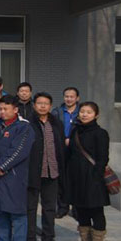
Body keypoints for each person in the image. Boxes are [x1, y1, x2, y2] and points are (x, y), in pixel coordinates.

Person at [0, 95, 35, 241]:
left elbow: (18, 151)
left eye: (5, 109)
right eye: (0, 109)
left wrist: (2, 166)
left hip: (14, 175)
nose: (2, 112)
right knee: (2, 211)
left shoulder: (23, 127)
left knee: (17, 212)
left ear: (15, 110)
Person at [65, 101, 110, 241]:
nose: (84, 114)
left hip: (93, 179)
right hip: (77, 179)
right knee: (81, 212)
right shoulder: (75, 131)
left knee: (96, 212)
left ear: (96, 115)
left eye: (89, 112)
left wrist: (96, 177)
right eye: (82, 111)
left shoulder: (100, 133)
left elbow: (103, 158)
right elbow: (70, 154)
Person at [26, 92, 65, 241]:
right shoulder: (28, 124)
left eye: (46, 103)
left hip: (52, 172)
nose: (42, 106)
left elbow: (61, 148)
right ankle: (29, 239)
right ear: (34, 105)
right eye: (39, 103)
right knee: (30, 208)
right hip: (33, 173)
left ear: (50, 106)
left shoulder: (57, 124)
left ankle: (48, 240)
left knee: (49, 208)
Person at [52, 86, 80, 219]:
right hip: (60, 148)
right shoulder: (57, 112)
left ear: (77, 98)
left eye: (71, 97)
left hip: (76, 149)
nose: (69, 99)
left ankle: (76, 208)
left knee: (76, 179)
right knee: (61, 179)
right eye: (66, 96)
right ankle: (62, 207)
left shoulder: (82, 112)